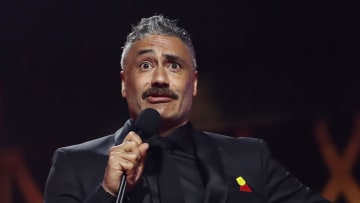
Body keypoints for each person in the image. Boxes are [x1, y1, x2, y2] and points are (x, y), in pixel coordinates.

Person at [44, 14, 332, 203]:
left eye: (174, 65)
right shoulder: (74, 164)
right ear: (123, 83)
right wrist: (107, 192)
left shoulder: (249, 158)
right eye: (145, 65)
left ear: (193, 83)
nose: (159, 78)